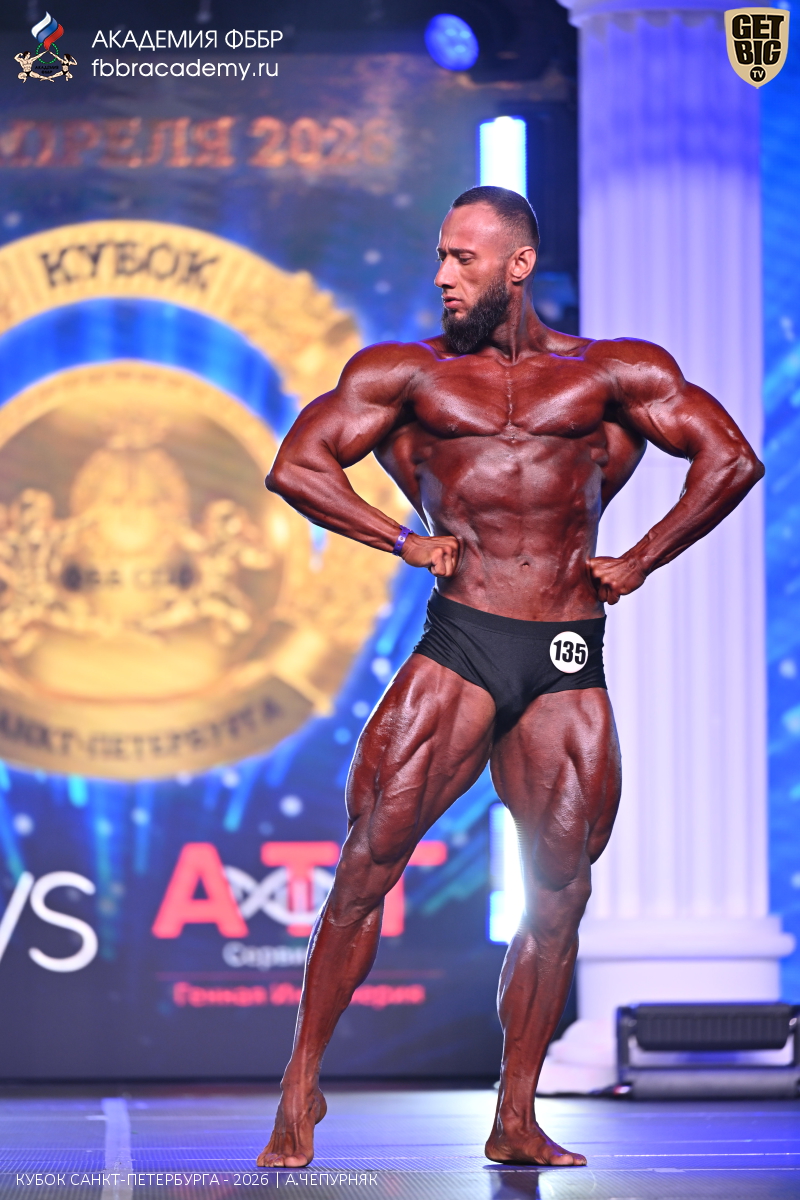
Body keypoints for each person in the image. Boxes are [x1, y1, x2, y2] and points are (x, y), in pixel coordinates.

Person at [257, 186, 764, 1167]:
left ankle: (515, 1116)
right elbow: (298, 466)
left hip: (566, 650)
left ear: (517, 265)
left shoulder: (612, 371)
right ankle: (300, 1084)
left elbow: (730, 459)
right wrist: (400, 538)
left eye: (463, 258)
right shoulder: (405, 373)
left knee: (558, 892)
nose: (443, 276)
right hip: (463, 639)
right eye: (440, 258)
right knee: (368, 860)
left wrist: (642, 556)